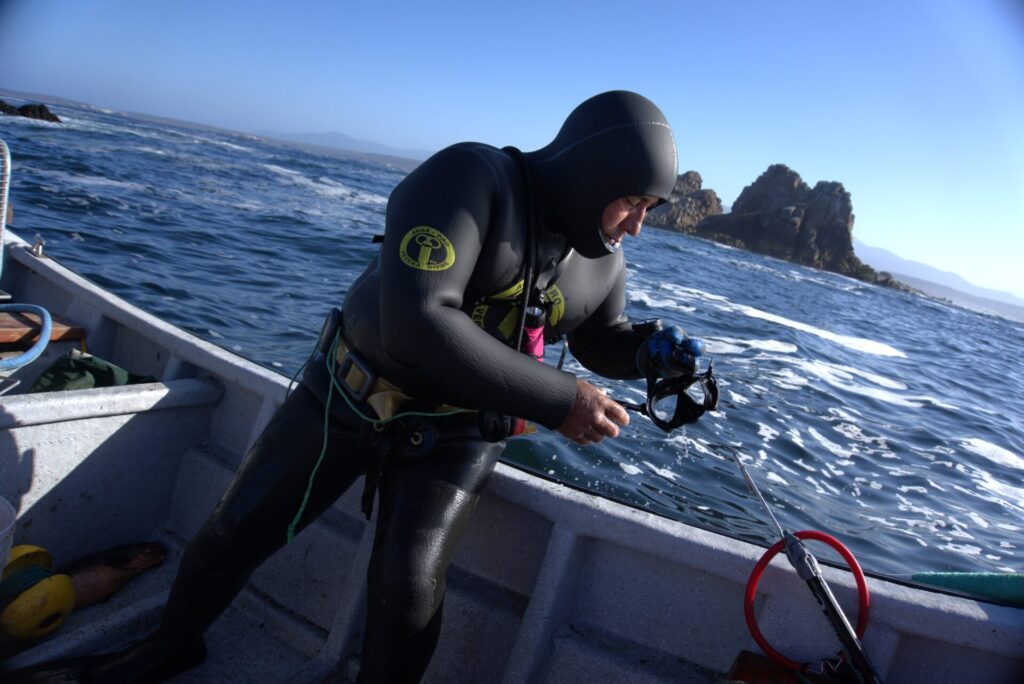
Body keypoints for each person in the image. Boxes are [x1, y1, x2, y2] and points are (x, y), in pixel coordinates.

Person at [11, 90, 707, 683]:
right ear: (590, 173)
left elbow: (596, 338)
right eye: (630, 202)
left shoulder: (602, 262)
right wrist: (563, 401)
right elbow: (415, 319)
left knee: (408, 587)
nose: (637, 225)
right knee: (236, 529)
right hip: (347, 393)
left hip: (457, 433)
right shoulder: (469, 179)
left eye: (648, 209)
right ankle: (170, 646)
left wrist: (648, 350)